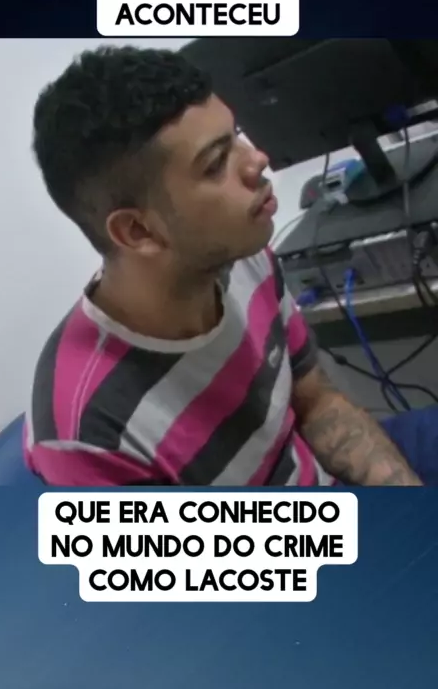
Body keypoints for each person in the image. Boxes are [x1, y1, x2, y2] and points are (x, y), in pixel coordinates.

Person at [25, 44, 435, 487]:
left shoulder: (241, 256)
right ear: (138, 231)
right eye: (216, 163)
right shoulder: (86, 436)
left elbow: (315, 400)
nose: (257, 160)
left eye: (236, 133)